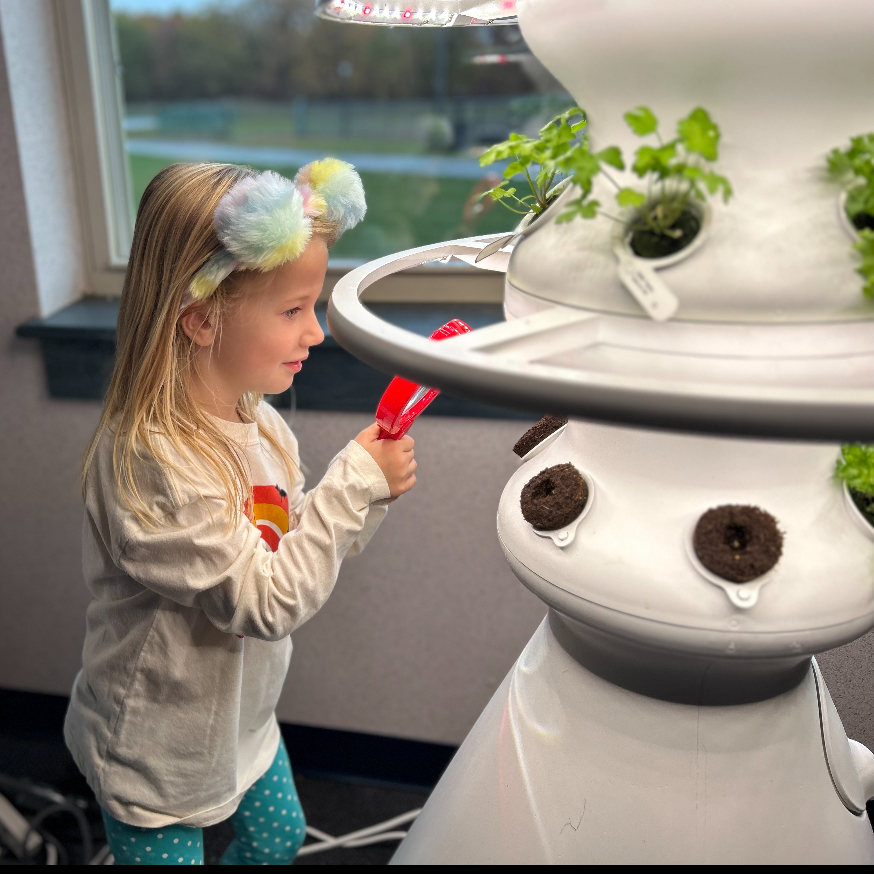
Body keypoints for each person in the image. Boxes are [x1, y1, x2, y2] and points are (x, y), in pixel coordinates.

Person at [63, 160, 417, 865]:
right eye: (292, 311)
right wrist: (353, 485)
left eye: (313, 307)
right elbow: (266, 602)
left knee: (278, 837)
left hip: (239, 721)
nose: (315, 333)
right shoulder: (156, 462)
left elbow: (292, 547)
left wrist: (366, 494)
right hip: (159, 752)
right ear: (200, 320)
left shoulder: (259, 423)